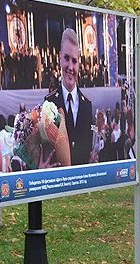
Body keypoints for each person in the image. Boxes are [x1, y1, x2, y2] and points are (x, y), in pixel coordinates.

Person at [45, 27, 92, 165]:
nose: (70, 67)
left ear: (79, 64)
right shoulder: (49, 103)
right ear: (60, 58)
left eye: (74, 61)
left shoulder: (87, 106)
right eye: (66, 58)